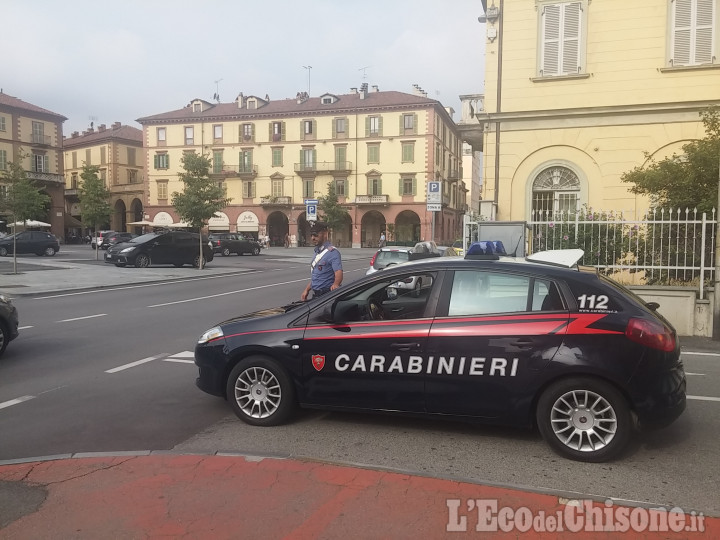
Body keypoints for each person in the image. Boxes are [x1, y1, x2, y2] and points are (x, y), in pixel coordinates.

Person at [301, 221, 343, 301]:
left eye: (316, 235)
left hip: (327, 296)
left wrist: (336, 284)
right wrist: (307, 290)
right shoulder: (317, 252)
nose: (313, 238)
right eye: (311, 235)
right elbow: (317, 277)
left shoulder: (332, 252)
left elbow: (338, 272)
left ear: (325, 234)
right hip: (316, 296)